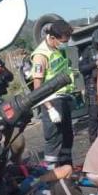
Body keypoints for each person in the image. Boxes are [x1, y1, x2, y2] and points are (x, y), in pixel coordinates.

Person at [30, 19, 75, 167]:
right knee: (54, 140)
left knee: (68, 137)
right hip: (51, 101)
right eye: (63, 41)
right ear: (53, 38)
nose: (64, 44)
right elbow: (37, 87)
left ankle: (67, 169)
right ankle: (50, 174)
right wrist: (50, 108)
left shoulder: (57, 48)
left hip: (63, 98)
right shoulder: (41, 55)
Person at [78, 29, 98, 142]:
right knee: (93, 116)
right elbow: (82, 69)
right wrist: (94, 64)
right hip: (92, 87)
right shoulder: (87, 51)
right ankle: (93, 140)